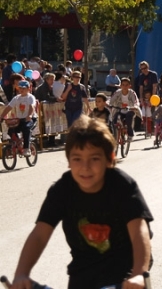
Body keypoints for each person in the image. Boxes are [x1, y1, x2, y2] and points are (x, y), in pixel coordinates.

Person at [9, 115, 153, 289]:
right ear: (68, 161)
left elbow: (139, 230)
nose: (85, 167)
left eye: (94, 158)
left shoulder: (122, 185)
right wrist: (21, 274)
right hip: (82, 275)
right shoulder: (62, 190)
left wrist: (138, 274)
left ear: (110, 159)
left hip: (124, 274)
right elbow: (39, 235)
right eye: (77, 159)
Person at [0, 80, 37, 157]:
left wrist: (29, 115)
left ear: (28, 88)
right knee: (11, 130)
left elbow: (32, 107)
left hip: (31, 119)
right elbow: (8, 107)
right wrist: (1, 116)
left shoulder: (30, 97)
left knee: (26, 129)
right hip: (20, 119)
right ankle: (18, 142)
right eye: (20, 88)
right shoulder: (16, 98)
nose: (21, 90)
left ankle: (27, 148)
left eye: (23, 88)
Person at [110, 77, 141, 141]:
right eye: (123, 85)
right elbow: (111, 100)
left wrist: (134, 107)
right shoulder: (117, 92)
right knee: (114, 120)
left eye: (126, 85)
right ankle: (114, 135)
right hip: (119, 109)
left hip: (130, 110)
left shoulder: (132, 93)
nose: (125, 86)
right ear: (120, 85)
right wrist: (109, 104)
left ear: (129, 86)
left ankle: (130, 134)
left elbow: (136, 102)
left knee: (129, 118)